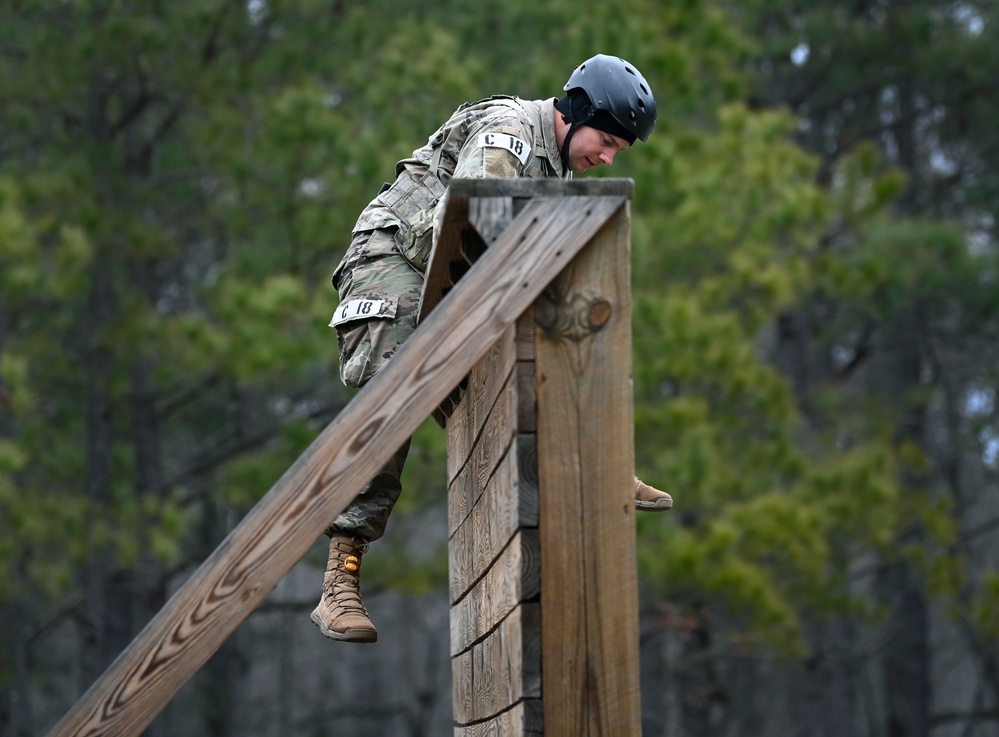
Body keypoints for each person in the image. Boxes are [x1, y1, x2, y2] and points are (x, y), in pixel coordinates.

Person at [314, 54, 672, 644]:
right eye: (607, 142)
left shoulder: (554, 170)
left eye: (619, 151)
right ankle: (340, 576)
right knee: (397, 389)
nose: (608, 158)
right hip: (392, 259)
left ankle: (596, 458)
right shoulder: (508, 135)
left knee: (547, 352)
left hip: (452, 277)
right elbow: (471, 230)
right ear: (576, 113)